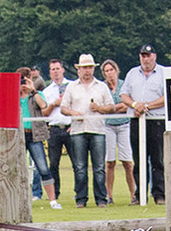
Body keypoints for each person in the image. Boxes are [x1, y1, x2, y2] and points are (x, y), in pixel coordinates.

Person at [61, 54, 114, 208]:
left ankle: (101, 199)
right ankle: (81, 198)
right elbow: (64, 108)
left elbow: (111, 107)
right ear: (79, 69)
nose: (87, 70)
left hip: (97, 129)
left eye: (90, 67)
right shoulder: (71, 86)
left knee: (99, 167)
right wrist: (72, 113)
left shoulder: (101, 86)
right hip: (78, 130)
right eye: (84, 67)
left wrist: (99, 108)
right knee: (80, 167)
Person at [119, 45, 169, 203]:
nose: (145, 59)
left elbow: (167, 96)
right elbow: (124, 95)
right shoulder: (132, 73)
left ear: (154, 56)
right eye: (143, 56)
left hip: (156, 120)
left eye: (148, 56)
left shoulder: (163, 73)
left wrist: (146, 106)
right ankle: (139, 194)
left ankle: (159, 193)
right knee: (138, 159)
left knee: (157, 159)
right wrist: (135, 105)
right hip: (136, 120)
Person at [19, 67, 60, 209]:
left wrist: (33, 90)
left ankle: (52, 201)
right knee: (17, 169)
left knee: (43, 167)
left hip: (34, 135)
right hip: (18, 135)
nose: (23, 83)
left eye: (26, 79)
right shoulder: (14, 95)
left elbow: (43, 105)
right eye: (21, 79)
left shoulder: (37, 94)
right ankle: (20, 200)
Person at [99, 59, 134, 205]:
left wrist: (111, 108)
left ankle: (133, 194)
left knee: (127, 162)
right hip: (108, 126)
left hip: (124, 124)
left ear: (116, 70)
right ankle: (109, 195)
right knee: (110, 162)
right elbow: (101, 107)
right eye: (106, 71)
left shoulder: (123, 85)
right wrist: (114, 107)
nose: (109, 73)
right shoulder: (101, 87)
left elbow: (127, 104)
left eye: (111, 70)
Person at [40, 59, 73, 191]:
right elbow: (44, 114)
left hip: (70, 128)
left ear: (62, 69)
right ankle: (56, 192)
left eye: (57, 68)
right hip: (54, 129)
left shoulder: (72, 86)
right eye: (52, 69)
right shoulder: (47, 91)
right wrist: (54, 103)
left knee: (77, 164)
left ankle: (80, 195)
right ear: (50, 72)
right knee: (53, 164)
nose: (55, 71)